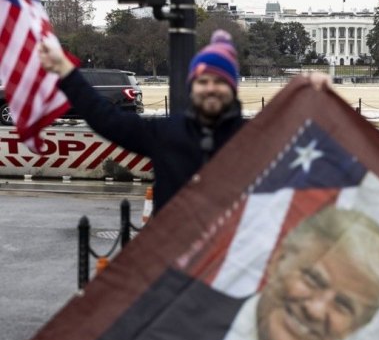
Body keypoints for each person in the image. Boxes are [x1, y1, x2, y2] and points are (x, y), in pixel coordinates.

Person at [38, 29, 330, 214]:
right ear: (193, 86)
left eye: (220, 80)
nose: (212, 87)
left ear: (232, 88)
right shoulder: (166, 133)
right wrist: (65, 70)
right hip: (173, 272)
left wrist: (320, 101)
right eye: (204, 80)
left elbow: (323, 154)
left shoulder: (255, 137)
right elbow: (106, 119)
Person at [76, 206, 379, 340]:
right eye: (313, 279)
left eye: (344, 305)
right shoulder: (159, 311)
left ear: (360, 325)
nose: (316, 309)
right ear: (278, 261)